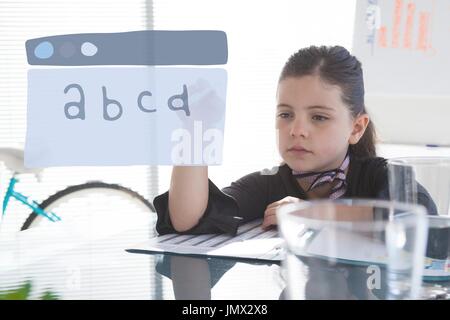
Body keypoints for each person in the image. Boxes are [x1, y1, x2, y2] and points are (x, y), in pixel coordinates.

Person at [153, 45, 436, 236]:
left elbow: (420, 214)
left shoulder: (378, 175)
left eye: (319, 118)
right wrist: (195, 129)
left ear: (356, 128)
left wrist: (312, 214)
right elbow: (187, 219)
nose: (296, 130)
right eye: (286, 114)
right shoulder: (268, 184)